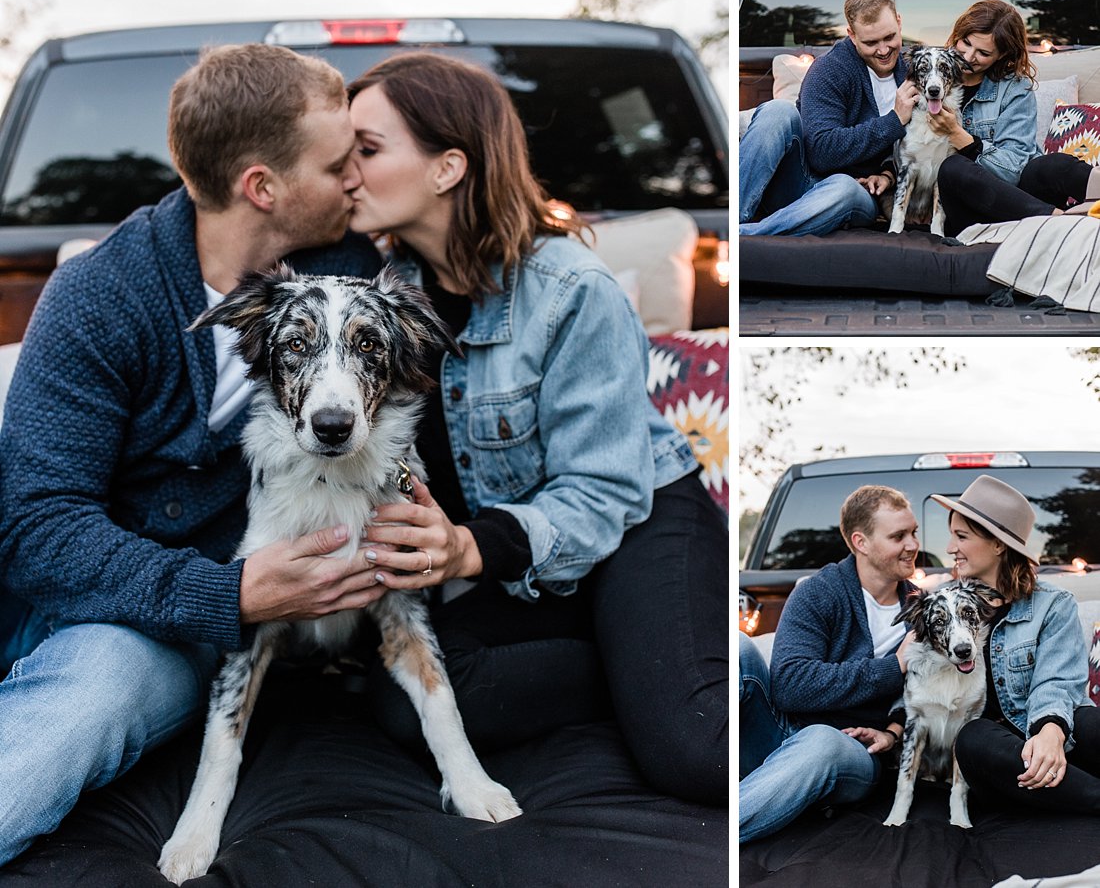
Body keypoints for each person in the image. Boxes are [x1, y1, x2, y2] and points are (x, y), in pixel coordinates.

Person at [0, 44, 385, 864]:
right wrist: (227, 591)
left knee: (96, 690)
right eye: (339, 160)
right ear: (262, 187)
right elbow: (35, 524)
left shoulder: (352, 278)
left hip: (150, 639)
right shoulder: (101, 295)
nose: (359, 176)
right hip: (100, 593)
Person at [342, 51, 728, 804]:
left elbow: (602, 489)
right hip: (520, 558)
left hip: (635, 518)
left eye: (367, 149)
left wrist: (462, 546)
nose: (345, 172)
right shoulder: (374, 300)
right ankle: (630, 660)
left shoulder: (570, 291)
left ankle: (675, 665)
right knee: (401, 699)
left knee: (693, 750)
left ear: (448, 167)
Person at [740, 484, 920, 841]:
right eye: (898, 536)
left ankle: (721, 836)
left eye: (914, 532)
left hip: (854, 753)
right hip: (782, 729)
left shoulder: (922, 610)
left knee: (822, 740)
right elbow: (790, 686)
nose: (913, 545)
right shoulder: (819, 592)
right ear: (861, 542)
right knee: (738, 647)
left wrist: (891, 733)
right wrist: (892, 667)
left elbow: (929, 695)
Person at [939, 476, 1100, 809]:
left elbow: (1057, 681)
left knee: (1090, 722)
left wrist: (1050, 731)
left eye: (961, 536)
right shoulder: (943, 609)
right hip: (999, 755)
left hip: (1051, 731)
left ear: (998, 544)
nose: (950, 548)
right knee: (972, 737)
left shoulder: (1053, 604)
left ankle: (1062, 784)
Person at [739, 0, 919, 236]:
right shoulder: (830, 70)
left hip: (856, 193)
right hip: (800, 181)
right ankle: (734, 221)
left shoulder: (915, 71)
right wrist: (894, 121)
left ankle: (749, 236)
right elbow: (822, 151)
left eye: (889, 37)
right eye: (870, 42)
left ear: (899, 22)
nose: (883, 49)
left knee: (844, 187)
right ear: (852, 35)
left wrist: (888, 175)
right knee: (778, 111)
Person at [934, 0, 1099, 236]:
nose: (968, 57)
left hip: (1018, 202)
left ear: (1002, 55)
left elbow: (1013, 171)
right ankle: (1058, 221)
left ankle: (1087, 199)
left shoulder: (1014, 89)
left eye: (983, 53)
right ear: (957, 34)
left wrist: (962, 138)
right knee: (954, 168)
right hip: (970, 210)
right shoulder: (932, 76)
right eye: (966, 43)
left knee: (1049, 164)